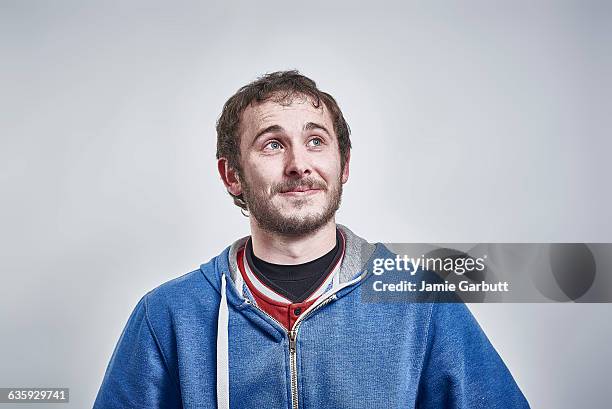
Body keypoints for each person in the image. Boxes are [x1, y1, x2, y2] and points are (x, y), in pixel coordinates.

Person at [93, 71, 530, 408]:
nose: (299, 164)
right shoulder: (167, 316)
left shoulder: (421, 302)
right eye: (272, 145)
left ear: (343, 167)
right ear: (232, 176)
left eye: (315, 141)